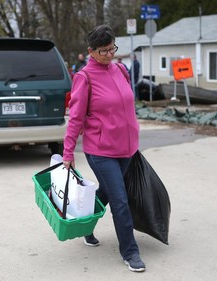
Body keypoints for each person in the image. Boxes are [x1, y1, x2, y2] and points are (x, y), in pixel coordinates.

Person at [62, 24, 146, 272]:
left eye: (112, 49)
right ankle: (130, 252)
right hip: (100, 150)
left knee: (108, 193)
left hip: (126, 148)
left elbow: (128, 104)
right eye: (103, 51)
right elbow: (75, 118)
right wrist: (68, 153)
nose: (109, 55)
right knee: (120, 200)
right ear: (91, 51)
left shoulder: (120, 69)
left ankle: (86, 227)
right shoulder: (84, 78)